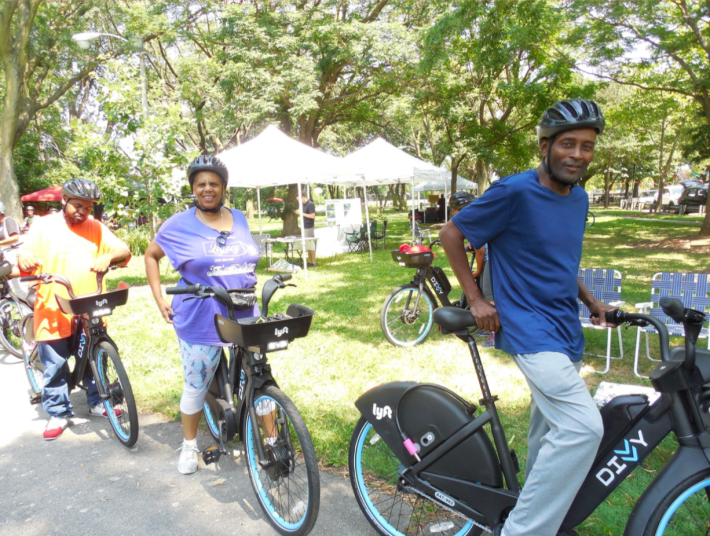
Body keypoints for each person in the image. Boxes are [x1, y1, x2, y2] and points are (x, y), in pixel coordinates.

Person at [440, 99, 615, 536]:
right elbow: (452, 233)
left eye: (587, 147)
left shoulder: (579, 199)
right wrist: (475, 298)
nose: (577, 154)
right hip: (528, 326)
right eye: (568, 144)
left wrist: (591, 300)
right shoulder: (514, 191)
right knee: (581, 428)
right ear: (545, 145)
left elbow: (559, 260)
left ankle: (532, 509)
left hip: (564, 327)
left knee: (549, 433)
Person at [144, 155, 260, 475]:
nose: (207, 188)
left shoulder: (239, 217)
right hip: (200, 314)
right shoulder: (178, 224)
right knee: (196, 382)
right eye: (201, 184)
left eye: (213, 183)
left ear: (223, 187)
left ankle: (271, 437)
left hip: (244, 308)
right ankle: (190, 444)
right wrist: (158, 298)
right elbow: (151, 255)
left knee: (259, 375)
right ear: (193, 189)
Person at [17, 179, 131, 441]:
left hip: (88, 303)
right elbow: (25, 253)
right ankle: (58, 412)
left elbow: (123, 250)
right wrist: (24, 256)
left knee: (93, 356)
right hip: (52, 305)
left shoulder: (95, 227)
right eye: (78, 205)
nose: (83, 211)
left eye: (88, 207)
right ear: (64, 201)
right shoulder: (42, 226)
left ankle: (97, 401)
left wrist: (108, 256)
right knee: (55, 363)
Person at [294, 192, 317, 268]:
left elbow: (312, 216)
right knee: (307, 245)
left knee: (311, 245)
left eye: (299, 200)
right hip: (304, 227)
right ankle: (310, 261)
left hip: (309, 227)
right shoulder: (303, 205)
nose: (298, 202)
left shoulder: (310, 204)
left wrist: (302, 213)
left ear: (303, 197)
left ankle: (313, 262)